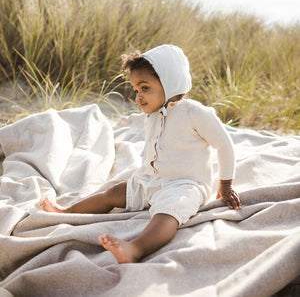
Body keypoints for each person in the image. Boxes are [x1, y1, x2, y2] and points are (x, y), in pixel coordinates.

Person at [39, 44, 242, 263]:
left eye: (144, 88)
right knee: (113, 193)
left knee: (168, 213)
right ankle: (68, 212)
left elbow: (224, 145)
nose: (138, 96)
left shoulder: (193, 112)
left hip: (185, 184)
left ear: (170, 83)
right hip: (151, 180)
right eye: (136, 90)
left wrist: (226, 185)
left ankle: (135, 248)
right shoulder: (153, 115)